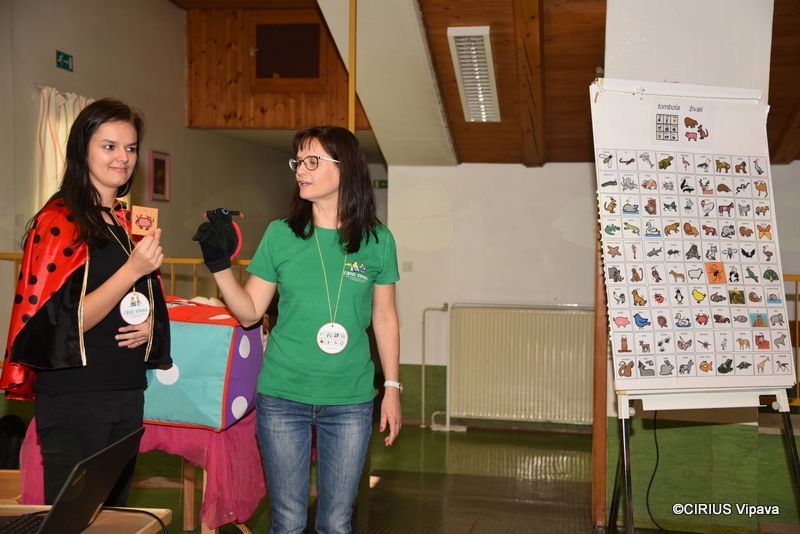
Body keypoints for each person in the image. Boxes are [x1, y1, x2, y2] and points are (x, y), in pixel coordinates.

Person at [193, 125, 402, 533]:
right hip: (282, 396)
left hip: (350, 398)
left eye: (312, 161)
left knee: (337, 522)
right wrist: (219, 267)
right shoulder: (281, 234)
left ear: (345, 168)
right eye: (298, 162)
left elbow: (385, 317)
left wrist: (392, 389)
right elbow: (250, 313)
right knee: (287, 521)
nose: (300, 171)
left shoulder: (378, 240)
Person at [0, 98, 171, 505]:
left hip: (126, 388)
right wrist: (131, 269)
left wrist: (150, 325)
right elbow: (59, 323)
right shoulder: (60, 220)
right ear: (82, 149)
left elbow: (136, 297)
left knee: (116, 517)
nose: (123, 158)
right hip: (76, 395)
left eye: (130, 148)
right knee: (73, 517)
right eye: (109, 146)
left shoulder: (125, 221)